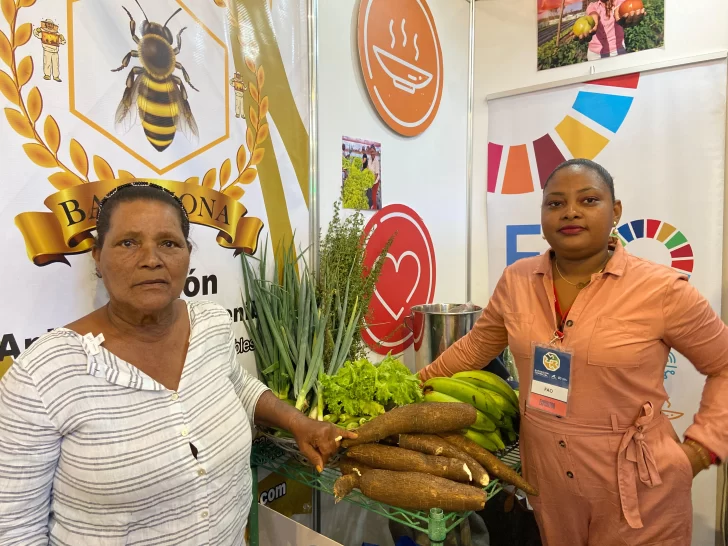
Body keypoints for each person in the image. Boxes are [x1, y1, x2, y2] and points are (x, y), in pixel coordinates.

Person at [0, 182, 352, 544]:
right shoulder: (42, 375)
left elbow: (236, 385)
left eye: (169, 243)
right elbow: (14, 530)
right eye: (128, 242)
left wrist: (297, 422)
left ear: (187, 254)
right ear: (97, 257)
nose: (151, 258)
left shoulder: (210, 324)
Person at [419, 159, 728, 545]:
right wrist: (412, 388)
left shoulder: (662, 290)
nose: (570, 212)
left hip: (637, 484)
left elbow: (724, 365)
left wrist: (702, 449)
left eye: (589, 200)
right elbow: (474, 348)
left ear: (615, 211)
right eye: (555, 203)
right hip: (549, 483)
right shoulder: (517, 280)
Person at [577, 1, 646, 61]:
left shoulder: (619, 2)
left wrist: (620, 12)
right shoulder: (592, 6)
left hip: (616, 50)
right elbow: (593, 13)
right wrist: (594, 17)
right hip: (595, 54)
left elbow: (620, 7)